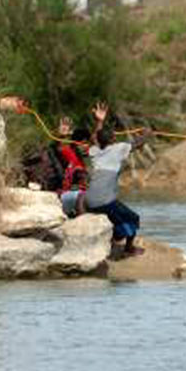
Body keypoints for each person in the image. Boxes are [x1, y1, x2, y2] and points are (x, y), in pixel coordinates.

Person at [75, 102, 147, 258]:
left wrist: (100, 121)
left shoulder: (95, 152)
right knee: (134, 218)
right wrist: (147, 133)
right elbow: (138, 143)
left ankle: (113, 239)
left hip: (88, 201)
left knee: (115, 216)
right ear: (114, 139)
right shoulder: (118, 149)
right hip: (104, 201)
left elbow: (95, 138)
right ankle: (128, 248)